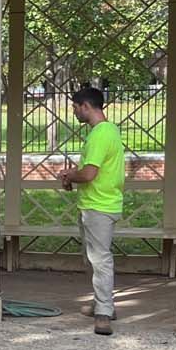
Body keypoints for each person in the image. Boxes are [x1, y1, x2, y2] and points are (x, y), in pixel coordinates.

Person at [57, 86, 125, 335]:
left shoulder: (100, 134)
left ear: (85, 106)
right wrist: (70, 176)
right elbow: (88, 171)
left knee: (100, 260)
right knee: (93, 259)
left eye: (75, 107)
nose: (74, 112)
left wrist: (70, 175)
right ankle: (102, 303)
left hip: (99, 206)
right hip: (95, 204)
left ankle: (104, 314)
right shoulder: (109, 131)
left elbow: (89, 173)